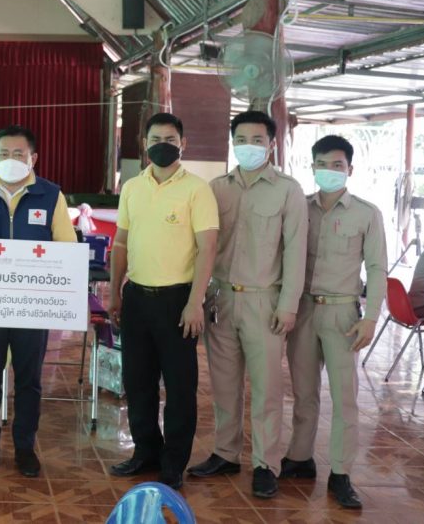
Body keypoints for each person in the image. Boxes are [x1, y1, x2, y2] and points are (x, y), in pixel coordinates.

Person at [187, 110, 307, 499]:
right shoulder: (215, 188)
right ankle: (226, 453)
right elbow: (202, 246)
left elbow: (296, 252)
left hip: (264, 301)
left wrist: (288, 305)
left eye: (257, 140)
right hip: (221, 299)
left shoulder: (288, 190)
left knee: (267, 388)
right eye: (241, 139)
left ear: (271, 145)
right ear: (232, 142)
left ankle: (265, 464)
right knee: (224, 384)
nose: (249, 146)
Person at [0, 125, 78, 478]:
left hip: (32, 306)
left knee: (29, 380)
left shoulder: (51, 195)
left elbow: (67, 247)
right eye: (4, 153)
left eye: (19, 153)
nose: (11, 159)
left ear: (33, 158)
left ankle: (25, 447)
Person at [108, 113, 218, 489]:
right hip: (137, 298)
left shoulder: (197, 190)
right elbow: (121, 243)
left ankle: (173, 463)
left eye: (170, 139)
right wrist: (114, 291)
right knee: (137, 382)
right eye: (156, 139)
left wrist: (195, 301)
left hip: (178, 301)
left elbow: (207, 248)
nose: (162, 145)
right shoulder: (132, 187)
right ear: (144, 143)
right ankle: (145, 453)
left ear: (182, 144)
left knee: (180, 387)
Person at [281, 135, 387, 509]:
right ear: (312, 167)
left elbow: (377, 268)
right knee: (303, 391)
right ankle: (299, 457)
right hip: (303, 310)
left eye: (337, 165)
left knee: (344, 397)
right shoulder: (299, 208)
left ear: (350, 169)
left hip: (343, 314)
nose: (329, 171)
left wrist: (371, 318)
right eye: (322, 164)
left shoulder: (366, 213)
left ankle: (341, 473)